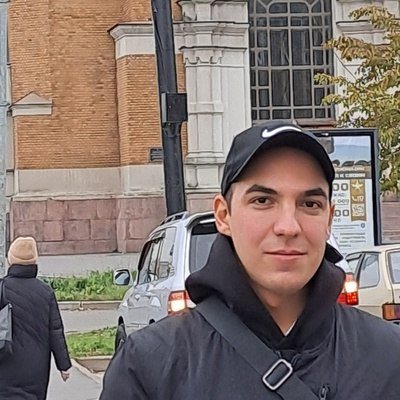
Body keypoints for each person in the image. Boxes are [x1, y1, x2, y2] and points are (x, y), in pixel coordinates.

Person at [100, 121, 400, 399]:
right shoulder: (150, 367)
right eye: (263, 201)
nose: (288, 227)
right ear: (223, 215)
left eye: (310, 204)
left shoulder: (388, 357)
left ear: (329, 219)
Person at [0, 236, 72, 400]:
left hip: (5, 362)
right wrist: (64, 365)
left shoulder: (2, 288)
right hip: (36, 368)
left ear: (11, 260)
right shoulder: (45, 292)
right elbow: (55, 331)